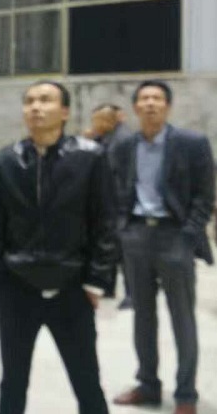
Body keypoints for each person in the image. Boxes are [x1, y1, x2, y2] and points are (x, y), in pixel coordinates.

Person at [0, 80, 116, 414]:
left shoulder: (90, 157)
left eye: (45, 100)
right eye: (29, 101)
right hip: (18, 288)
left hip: (71, 288)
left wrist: (96, 280)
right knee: (13, 381)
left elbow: (104, 222)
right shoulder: (7, 160)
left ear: (65, 111)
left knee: (86, 380)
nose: (36, 107)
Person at [112, 80, 215, 414]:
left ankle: (186, 395)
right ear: (136, 107)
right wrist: (122, 229)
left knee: (182, 318)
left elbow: (205, 196)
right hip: (136, 236)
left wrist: (188, 236)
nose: (150, 103)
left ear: (167, 106)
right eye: (144, 98)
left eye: (157, 98)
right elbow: (115, 188)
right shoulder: (124, 146)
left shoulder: (192, 143)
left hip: (174, 237)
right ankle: (148, 385)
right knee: (143, 317)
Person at [89, 103, 134, 308]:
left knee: (125, 252)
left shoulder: (123, 139)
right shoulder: (109, 136)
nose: (93, 125)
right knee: (112, 246)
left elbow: (124, 174)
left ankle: (132, 294)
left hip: (121, 203)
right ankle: (108, 286)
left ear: (107, 121)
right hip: (111, 201)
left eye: (96, 121)